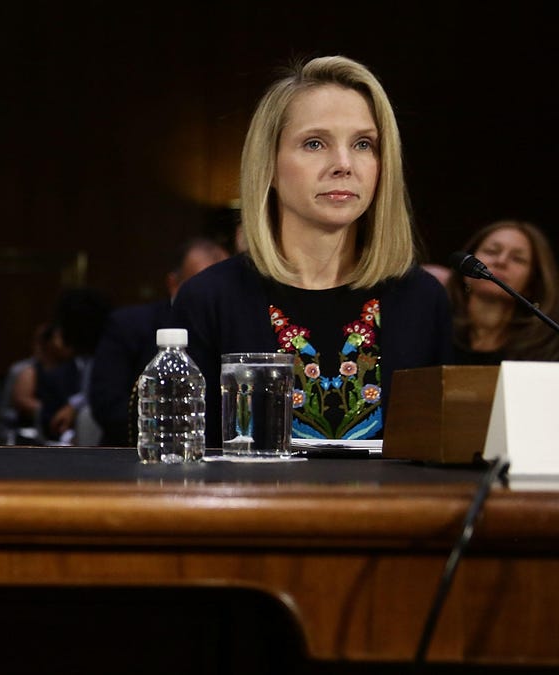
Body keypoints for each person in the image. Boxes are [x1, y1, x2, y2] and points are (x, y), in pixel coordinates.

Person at [172, 55, 451, 445]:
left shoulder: (422, 299)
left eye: (363, 144)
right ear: (268, 162)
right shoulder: (208, 299)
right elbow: (182, 461)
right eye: (315, 143)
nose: (343, 164)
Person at [89, 236, 228, 446]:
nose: (214, 297)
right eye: (203, 286)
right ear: (173, 284)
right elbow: (107, 404)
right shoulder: (129, 325)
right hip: (137, 453)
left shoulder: (234, 328)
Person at [446, 219, 559, 364]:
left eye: (517, 259)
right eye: (491, 251)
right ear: (465, 270)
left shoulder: (547, 349)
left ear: (531, 285)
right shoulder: (437, 333)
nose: (501, 261)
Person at [37, 286, 112, 444]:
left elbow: (101, 394)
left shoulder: (108, 355)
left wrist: (74, 407)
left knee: (87, 416)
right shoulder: (77, 364)